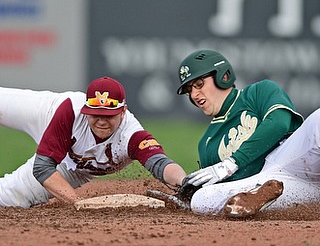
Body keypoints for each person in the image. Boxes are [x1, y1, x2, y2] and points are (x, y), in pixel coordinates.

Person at [0, 76, 187, 208]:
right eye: (96, 114)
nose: (102, 121)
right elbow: (43, 166)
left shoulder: (131, 135)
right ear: (85, 109)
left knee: (8, 197)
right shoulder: (71, 110)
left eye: (109, 115)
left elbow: (160, 163)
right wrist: (78, 202)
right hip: (48, 114)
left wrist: (184, 182)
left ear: (123, 112)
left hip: (72, 168)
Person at [176, 49, 320, 217]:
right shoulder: (207, 144)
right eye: (189, 90)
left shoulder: (258, 92)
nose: (194, 94)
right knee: (202, 199)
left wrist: (232, 162)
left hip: (292, 157)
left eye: (199, 84)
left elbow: (279, 122)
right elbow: (223, 187)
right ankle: (255, 201)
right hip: (274, 186)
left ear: (223, 76)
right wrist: (189, 195)